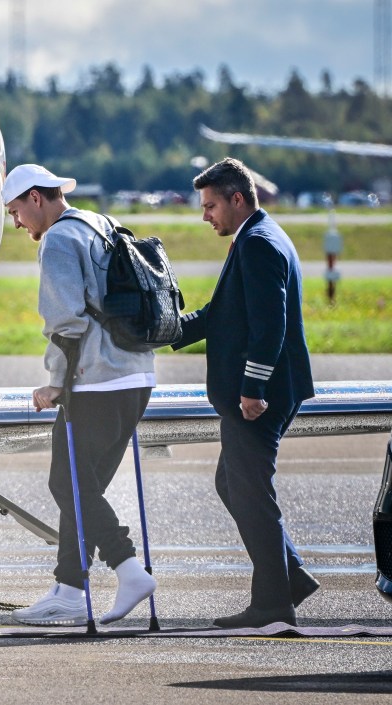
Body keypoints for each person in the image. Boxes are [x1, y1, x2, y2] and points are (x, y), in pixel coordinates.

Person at [3, 164, 157, 626]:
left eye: (15, 212)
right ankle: (69, 588)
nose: (16, 224)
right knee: (82, 488)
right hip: (137, 377)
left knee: (66, 483)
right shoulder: (100, 224)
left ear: (35, 198)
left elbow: (66, 322)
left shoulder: (59, 240)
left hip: (96, 381)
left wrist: (55, 381)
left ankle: (128, 568)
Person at [174, 157, 318, 628]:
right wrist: (167, 330)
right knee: (232, 483)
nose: (205, 215)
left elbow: (269, 324)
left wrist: (253, 387)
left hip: (261, 395)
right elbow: (222, 313)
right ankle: (290, 574)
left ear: (238, 199)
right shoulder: (258, 236)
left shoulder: (257, 244)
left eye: (211, 205)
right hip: (264, 390)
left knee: (251, 491)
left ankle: (274, 603)